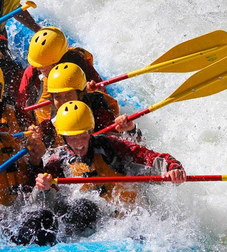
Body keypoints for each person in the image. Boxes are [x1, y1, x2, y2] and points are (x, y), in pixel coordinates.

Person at [34, 101, 186, 236]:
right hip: (95, 231)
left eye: (83, 135)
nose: (79, 142)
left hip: (132, 223)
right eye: (73, 138)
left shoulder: (111, 146)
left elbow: (152, 157)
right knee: (81, 207)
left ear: (90, 131)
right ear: (63, 137)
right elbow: (41, 206)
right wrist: (43, 188)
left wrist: (173, 169)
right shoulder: (58, 162)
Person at [17, 26, 106, 124]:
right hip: (49, 118)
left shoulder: (79, 63)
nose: (38, 68)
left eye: (43, 67)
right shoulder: (32, 71)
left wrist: (91, 92)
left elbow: (102, 90)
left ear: (58, 61)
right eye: (36, 65)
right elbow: (21, 107)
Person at [39, 62, 139, 148]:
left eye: (69, 95)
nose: (64, 101)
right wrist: (36, 139)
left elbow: (130, 145)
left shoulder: (99, 113)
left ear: (81, 94)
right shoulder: (49, 124)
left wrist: (131, 129)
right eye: (58, 96)